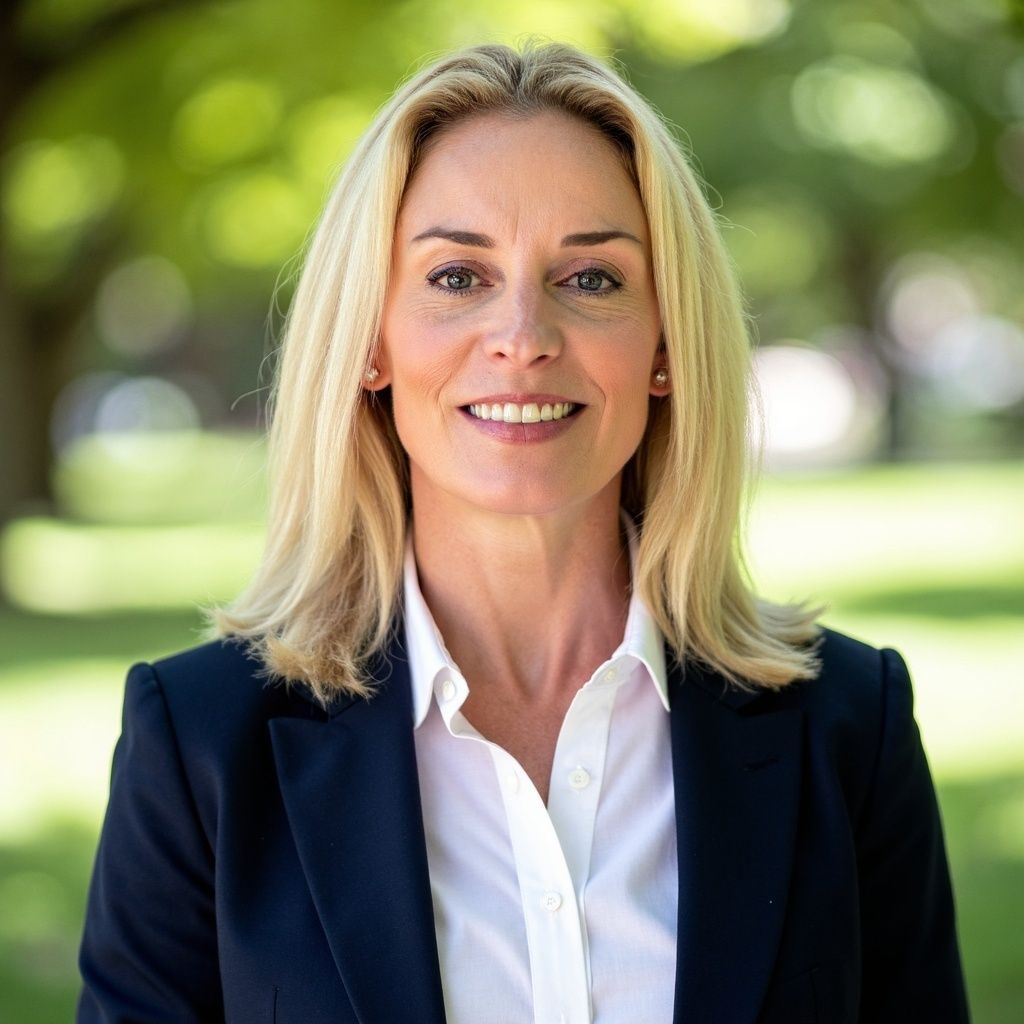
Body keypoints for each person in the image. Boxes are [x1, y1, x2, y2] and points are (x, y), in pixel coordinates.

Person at [77, 41, 969, 1024]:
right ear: (370, 341)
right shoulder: (200, 743)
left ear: (666, 345)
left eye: (590, 278)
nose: (523, 335)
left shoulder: (848, 726)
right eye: (457, 276)